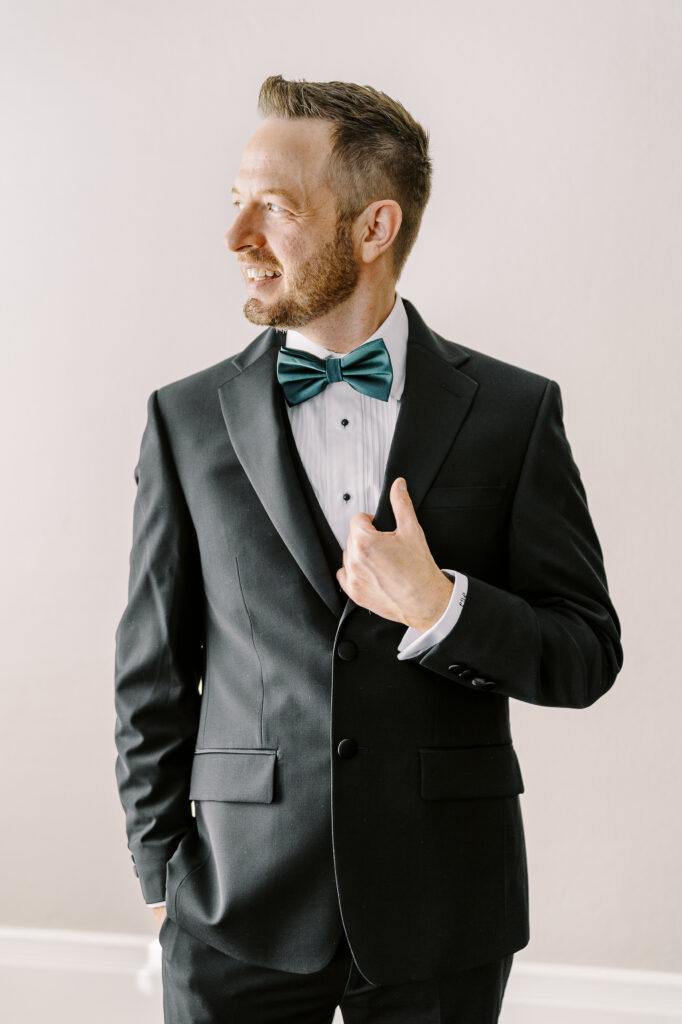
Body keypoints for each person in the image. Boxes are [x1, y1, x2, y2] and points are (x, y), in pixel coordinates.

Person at [114, 74, 623, 1023]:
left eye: (275, 208)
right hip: (234, 906)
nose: (236, 237)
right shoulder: (185, 421)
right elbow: (152, 671)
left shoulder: (514, 413)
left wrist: (443, 608)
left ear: (373, 227)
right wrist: (159, 875)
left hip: (445, 906)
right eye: (236, 202)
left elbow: (587, 653)